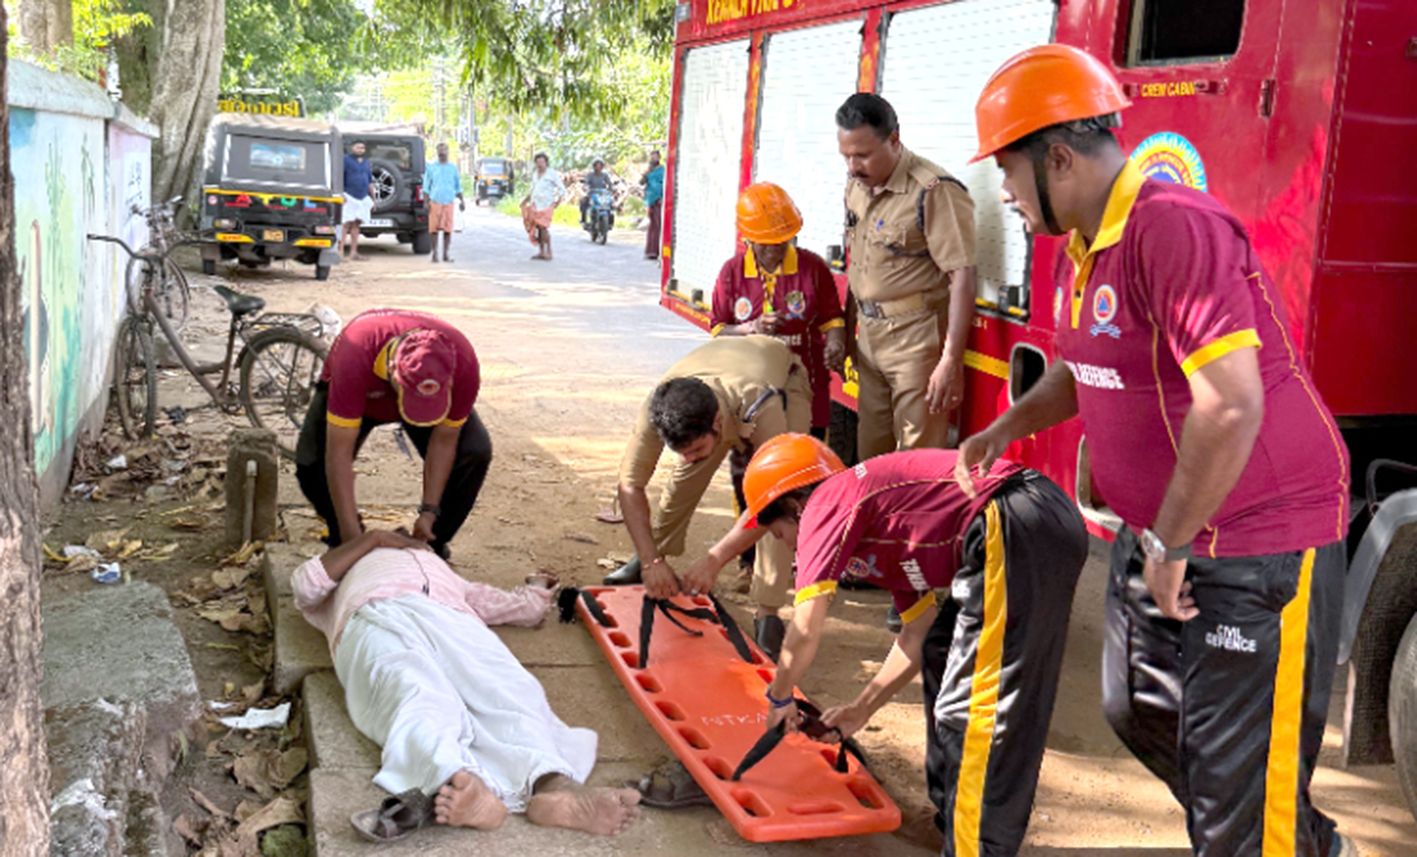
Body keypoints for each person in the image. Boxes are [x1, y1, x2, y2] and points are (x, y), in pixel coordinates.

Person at [958, 44, 1354, 856]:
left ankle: (1264, 825)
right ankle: (1281, 824)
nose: (1003, 191)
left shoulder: (1171, 226)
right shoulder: (1086, 245)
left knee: (1234, 799)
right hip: (1170, 532)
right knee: (1135, 705)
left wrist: (1173, 540)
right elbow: (1088, 361)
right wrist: (1006, 424)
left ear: (1057, 158)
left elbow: (1230, 402)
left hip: (1255, 535)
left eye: (1006, 169)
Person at [741, 434, 1086, 856]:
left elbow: (807, 624)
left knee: (976, 706)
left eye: (777, 533)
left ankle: (975, 848)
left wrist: (779, 698)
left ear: (795, 507)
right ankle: (951, 821)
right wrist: (860, 709)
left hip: (1016, 517)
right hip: (1025, 522)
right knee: (943, 650)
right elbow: (918, 631)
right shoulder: (882, 528)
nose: (785, 544)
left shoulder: (827, 502)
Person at [292, 528, 642, 840]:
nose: (405, 538)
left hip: (453, 620)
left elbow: (518, 609)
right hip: (376, 616)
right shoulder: (351, 565)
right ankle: (458, 780)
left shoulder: (452, 580)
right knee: (415, 691)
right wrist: (373, 540)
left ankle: (554, 784)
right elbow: (306, 584)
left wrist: (536, 588)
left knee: (510, 689)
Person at [601, 336, 810, 659]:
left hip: (782, 384)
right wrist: (649, 559)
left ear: (717, 423)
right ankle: (657, 553)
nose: (687, 457)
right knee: (683, 480)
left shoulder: (761, 402)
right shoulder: (659, 407)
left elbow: (775, 494)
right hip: (717, 389)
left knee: (780, 506)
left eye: (695, 448)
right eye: (680, 451)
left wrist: (714, 559)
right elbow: (630, 484)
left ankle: (768, 611)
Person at [837, 93, 978, 460]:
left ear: (894, 139)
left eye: (863, 155)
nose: (853, 166)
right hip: (869, 339)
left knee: (917, 458)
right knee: (871, 452)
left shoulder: (933, 191)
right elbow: (859, 264)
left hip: (915, 342)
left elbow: (962, 275)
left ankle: (912, 520)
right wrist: (848, 331)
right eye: (847, 156)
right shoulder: (856, 186)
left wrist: (950, 360)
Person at [295, 309, 492, 561]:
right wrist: (354, 542)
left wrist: (429, 512)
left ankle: (431, 543)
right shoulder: (354, 354)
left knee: (474, 452)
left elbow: (444, 441)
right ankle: (341, 535)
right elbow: (338, 455)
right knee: (312, 465)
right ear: (392, 372)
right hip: (362, 392)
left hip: (415, 388)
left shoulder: (462, 360)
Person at [711, 182, 846, 440]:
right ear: (748, 239)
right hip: (751, 388)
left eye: (782, 241)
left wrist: (836, 343)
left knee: (806, 455)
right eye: (765, 243)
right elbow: (718, 330)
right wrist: (751, 328)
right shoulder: (732, 273)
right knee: (754, 463)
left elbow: (832, 318)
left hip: (807, 382)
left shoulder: (813, 267)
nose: (773, 249)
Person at [423, 142, 465, 264]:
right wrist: (426, 202)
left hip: (449, 202)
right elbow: (426, 186)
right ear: (436, 151)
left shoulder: (452, 168)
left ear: (448, 151)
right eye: (440, 149)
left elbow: (458, 186)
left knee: (447, 229)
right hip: (435, 201)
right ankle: (434, 254)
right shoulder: (431, 168)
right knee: (433, 229)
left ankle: (446, 254)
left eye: (444, 149)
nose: (442, 151)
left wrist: (462, 200)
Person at [522, 153, 564, 261]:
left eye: (542, 162)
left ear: (546, 162)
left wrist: (558, 201)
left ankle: (549, 251)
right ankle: (541, 251)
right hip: (536, 204)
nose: (540, 164)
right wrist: (525, 200)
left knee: (543, 227)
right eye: (538, 162)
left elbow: (561, 188)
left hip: (547, 204)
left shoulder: (552, 174)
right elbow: (533, 189)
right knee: (538, 228)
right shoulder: (535, 174)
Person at [343, 141, 377, 261]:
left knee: (356, 225)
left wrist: (373, 199)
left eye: (362, 147)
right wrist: (341, 194)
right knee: (345, 224)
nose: (360, 149)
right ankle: (339, 252)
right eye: (358, 147)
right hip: (348, 196)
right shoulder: (345, 160)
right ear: (352, 148)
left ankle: (353, 253)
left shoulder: (366, 162)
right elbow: (339, 177)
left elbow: (369, 181)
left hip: (362, 197)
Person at [641, 150, 665, 261]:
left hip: (659, 199)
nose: (654, 158)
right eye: (652, 157)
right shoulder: (649, 171)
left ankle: (656, 250)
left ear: (659, 157)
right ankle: (650, 250)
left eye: (655, 156)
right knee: (652, 225)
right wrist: (645, 175)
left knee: (658, 225)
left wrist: (662, 197)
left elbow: (664, 183)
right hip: (651, 200)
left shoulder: (662, 170)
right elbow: (641, 182)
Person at [579, 158, 612, 226]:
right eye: (597, 165)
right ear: (594, 166)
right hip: (592, 193)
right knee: (583, 201)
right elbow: (586, 183)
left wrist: (611, 189)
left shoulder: (605, 175)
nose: (598, 167)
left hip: (603, 194)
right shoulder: (590, 174)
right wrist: (585, 187)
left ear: (602, 167)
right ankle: (583, 219)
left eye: (600, 165)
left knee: (611, 203)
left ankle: (610, 221)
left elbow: (609, 183)